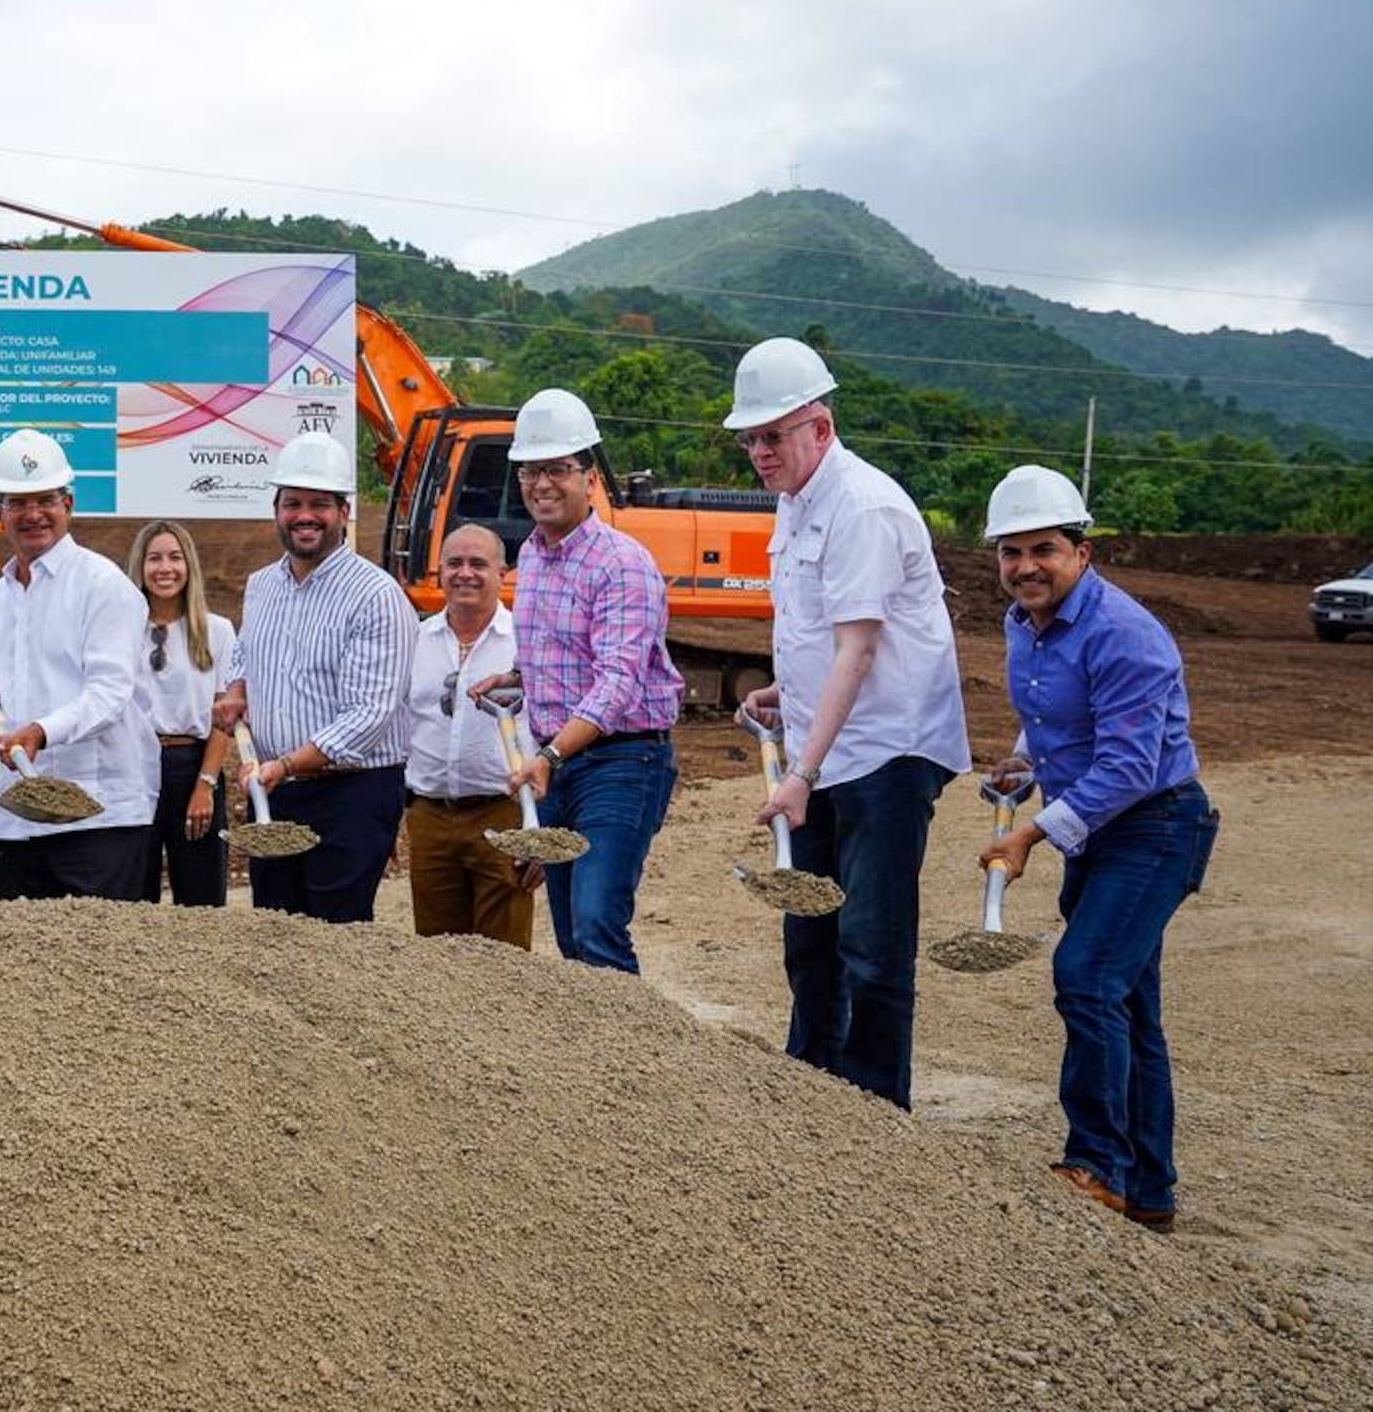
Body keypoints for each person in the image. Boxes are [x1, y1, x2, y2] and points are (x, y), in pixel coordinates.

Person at [729, 337, 968, 1110]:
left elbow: (860, 648)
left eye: (775, 434)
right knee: (810, 927)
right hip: (830, 746)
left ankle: (873, 1114)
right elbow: (819, 634)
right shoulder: (796, 501)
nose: (761, 451)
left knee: (870, 939)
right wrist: (782, 693)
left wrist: (798, 774)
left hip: (888, 751)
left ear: (821, 428)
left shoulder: (862, 506)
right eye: (752, 438)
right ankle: (812, 1093)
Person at [978, 466, 1212, 1231]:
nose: (1025, 567)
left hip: (1154, 826)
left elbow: (1129, 768)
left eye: (1042, 548)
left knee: (1084, 978)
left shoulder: (1126, 635)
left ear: (1081, 551)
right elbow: (1054, 717)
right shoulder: (1025, 624)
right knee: (1128, 1004)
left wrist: (1030, 833)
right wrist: (1023, 760)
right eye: (1011, 553)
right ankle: (1149, 1190)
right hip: (1100, 831)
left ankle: (1096, 1164)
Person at [468, 391, 681, 972]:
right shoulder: (533, 557)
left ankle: (638, 1060)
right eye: (531, 470)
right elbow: (564, 657)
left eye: (558, 469)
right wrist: (515, 679)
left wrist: (550, 756)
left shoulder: (621, 563)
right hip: (561, 763)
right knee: (568, 937)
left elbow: (617, 681)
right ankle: (595, 1061)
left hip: (622, 762)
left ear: (589, 478)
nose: (542, 483)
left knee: (596, 925)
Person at [214, 431, 416, 924]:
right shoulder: (262, 586)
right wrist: (237, 687)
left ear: (344, 512)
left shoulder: (376, 595)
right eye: (293, 503)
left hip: (352, 794)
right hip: (278, 791)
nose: (305, 515)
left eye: (319, 504)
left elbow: (369, 715)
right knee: (277, 930)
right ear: (276, 509)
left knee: (335, 936)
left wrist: (283, 764)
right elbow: (245, 654)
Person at [0, 432, 157, 901]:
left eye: (45, 499)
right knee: (12, 959)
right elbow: (4, 686)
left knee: (98, 965)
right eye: (17, 502)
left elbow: (111, 693)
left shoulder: (103, 585)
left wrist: (40, 731)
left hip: (98, 816)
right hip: (18, 815)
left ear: (68, 503)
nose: (33, 514)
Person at [406, 523, 535, 946]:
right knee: (437, 954)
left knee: (505, 956)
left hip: (503, 813)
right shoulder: (413, 641)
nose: (466, 573)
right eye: (454, 563)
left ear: (503, 573)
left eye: (478, 564)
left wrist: (539, 829)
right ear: (438, 571)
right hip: (429, 816)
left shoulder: (527, 644)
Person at [131, 518, 234, 907]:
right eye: (154, 558)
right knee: (132, 893)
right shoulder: (122, 630)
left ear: (189, 565)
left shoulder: (217, 631)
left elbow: (223, 718)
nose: (165, 568)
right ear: (140, 567)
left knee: (201, 896)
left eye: (175, 557)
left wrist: (204, 786)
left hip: (192, 765)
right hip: (134, 765)